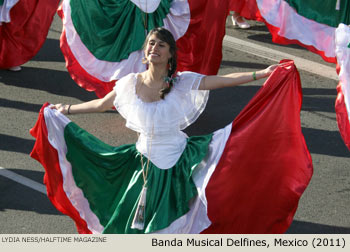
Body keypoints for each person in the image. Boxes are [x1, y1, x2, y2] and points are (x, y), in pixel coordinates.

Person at [33, 27, 311, 234]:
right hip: (141, 165)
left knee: (175, 224)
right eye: (151, 43)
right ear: (145, 51)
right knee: (133, 224)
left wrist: (261, 74)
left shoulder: (183, 82)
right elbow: (102, 105)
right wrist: (65, 110)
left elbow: (222, 81)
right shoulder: (129, 83)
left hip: (177, 164)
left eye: (161, 45)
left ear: (170, 54)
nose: (154, 47)